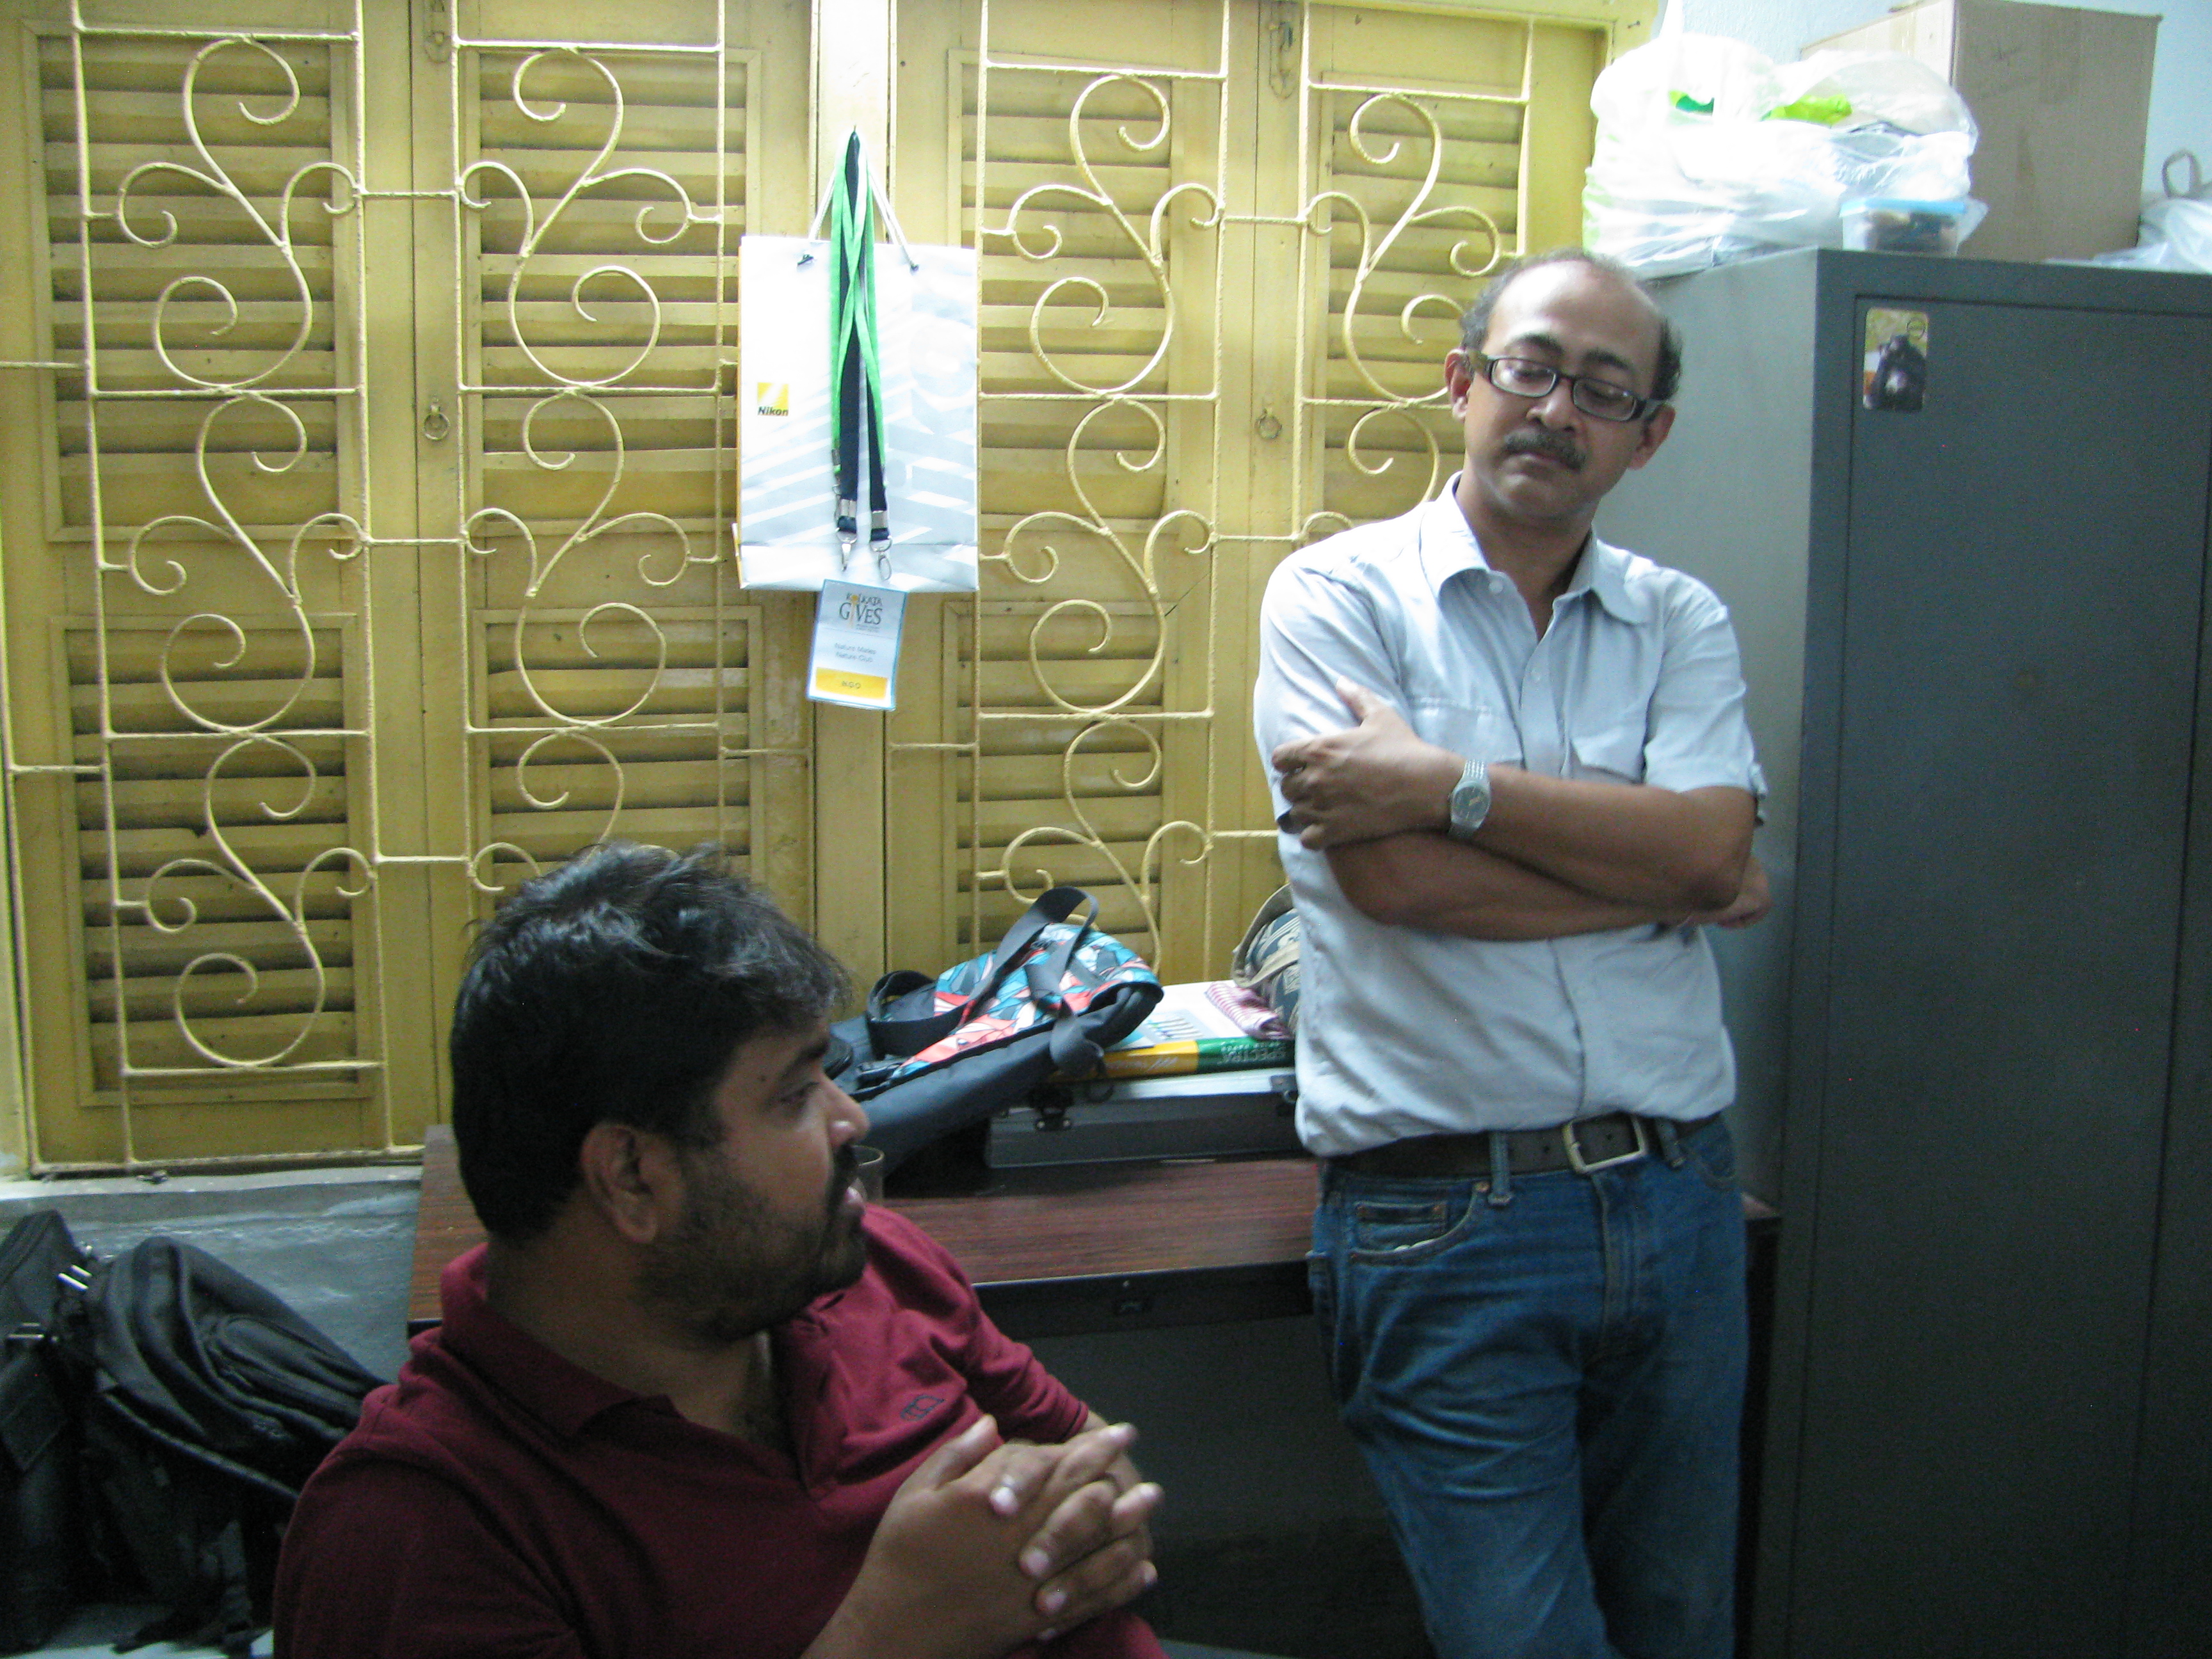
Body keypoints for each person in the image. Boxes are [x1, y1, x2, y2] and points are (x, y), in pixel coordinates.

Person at [1251, 248, 1770, 1659]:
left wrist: (1453, 786)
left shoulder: (1681, 621)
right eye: (1530, 368)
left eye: (1604, 389)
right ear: (1463, 379)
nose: (1556, 409)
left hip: (1675, 1199)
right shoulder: (1335, 599)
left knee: (1679, 1624)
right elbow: (1400, 882)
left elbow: (1705, 855)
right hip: (1445, 1221)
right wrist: (1653, 869)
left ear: (1648, 435)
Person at [273, 842, 1166, 1659]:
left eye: (830, 1075)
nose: (850, 1119)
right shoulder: (422, 1530)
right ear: (630, 1176)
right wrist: (888, 1636)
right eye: (790, 1097)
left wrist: (1078, 1533)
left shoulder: (866, 1266)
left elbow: (1104, 1473)